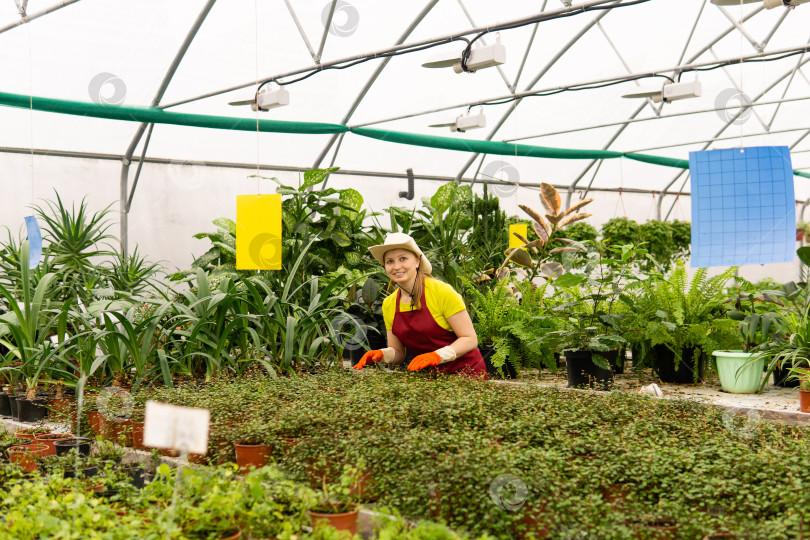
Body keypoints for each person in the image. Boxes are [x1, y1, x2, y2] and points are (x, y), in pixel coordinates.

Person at [353, 232, 487, 378]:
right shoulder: (389, 304)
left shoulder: (441, 292)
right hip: (426, 378)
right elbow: (398, 351)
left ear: (417, 261)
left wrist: (437, 356)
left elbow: (470, 339)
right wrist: (381, 355)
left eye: (403, 259)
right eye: (390, 261)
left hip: (466, 374)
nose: (396, 266)